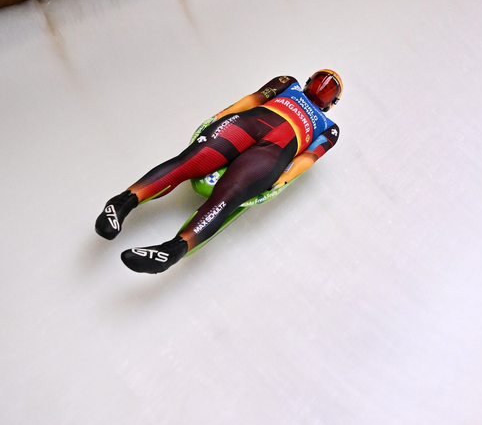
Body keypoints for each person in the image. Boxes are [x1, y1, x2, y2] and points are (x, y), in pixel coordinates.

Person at [96, 70, 342, 274]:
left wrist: (284, 178)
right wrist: (220, 117)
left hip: (272, 151)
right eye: (322, 82)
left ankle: (173, 249)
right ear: (309, 81)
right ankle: (122, 203)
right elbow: (254, 99)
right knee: (190, 161)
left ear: (332, 102)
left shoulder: (330, 129)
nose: (323, 88)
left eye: (330, 88)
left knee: (229, 196)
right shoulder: (289, 83)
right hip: (250, 124)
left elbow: (308, 159)